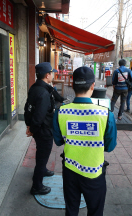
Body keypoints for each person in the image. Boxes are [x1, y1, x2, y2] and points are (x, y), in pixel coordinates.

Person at [53, 67, 117, 216]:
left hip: (70, 170)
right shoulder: (106, 114)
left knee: (71, 209)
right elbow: (109, 146)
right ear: (93, 86)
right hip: (95, 172)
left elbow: (58, 141)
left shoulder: (61, 111)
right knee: (95, 210)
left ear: (73, 85)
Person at [24, 62, 57, 195]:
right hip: (43, 130)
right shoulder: (43, 93)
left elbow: (28, 107)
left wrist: (29, 125)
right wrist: (32, 128)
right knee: (43, 156)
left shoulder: (35, 87)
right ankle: (36, 186)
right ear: (47, 75)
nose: (53, 74)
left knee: (41, 154)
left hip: (38, 128)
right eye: (52, 72)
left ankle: (42, 170)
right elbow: (39, 115)